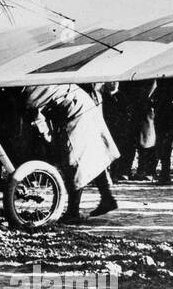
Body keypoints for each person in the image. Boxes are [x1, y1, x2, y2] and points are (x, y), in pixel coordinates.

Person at [19, 83, 118, 220]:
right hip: (82, 104)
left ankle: (73, 212)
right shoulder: (29, 86)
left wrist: (48, 140)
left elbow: (38, 122)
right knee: (91, 155)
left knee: (73, 161)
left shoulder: (28, 96)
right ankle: (107, 198)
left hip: (76, 111)